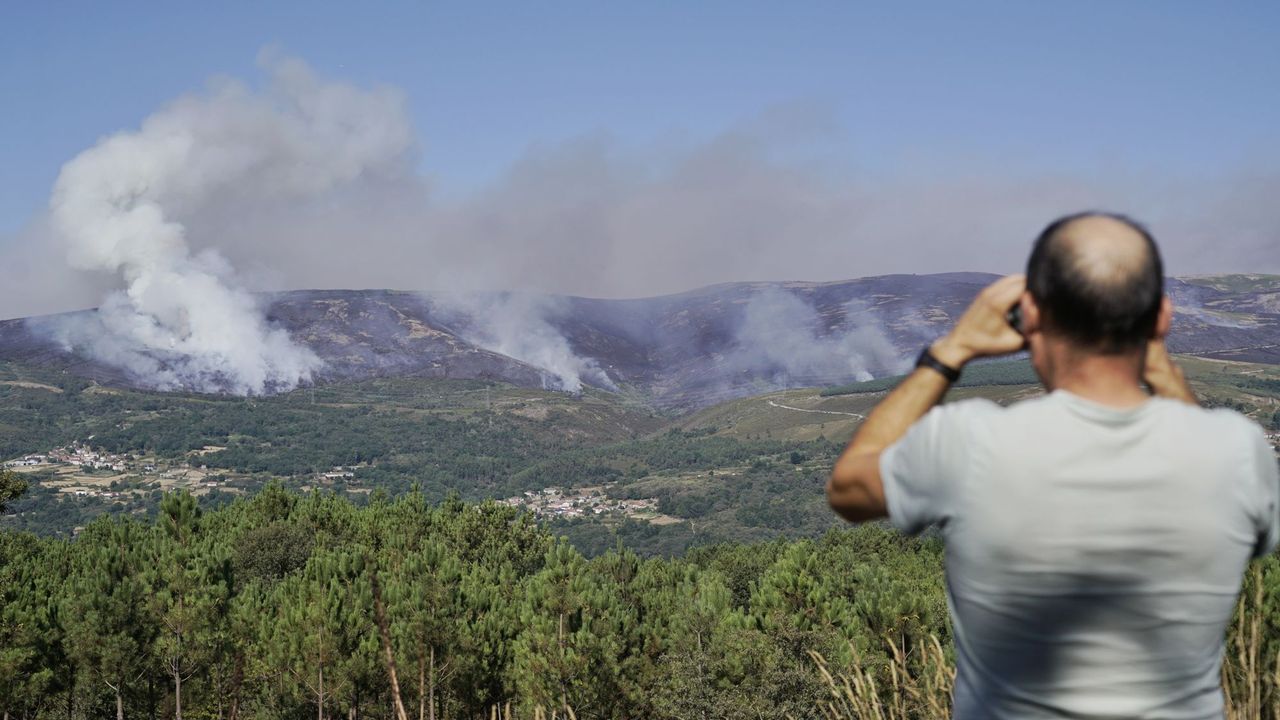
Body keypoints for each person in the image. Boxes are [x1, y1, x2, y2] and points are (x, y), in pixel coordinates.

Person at [827, 212, 1279, 719]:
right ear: (1162, 319)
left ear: (1032, 315)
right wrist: (1163, 369)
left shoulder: (968, 442)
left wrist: (951, 351)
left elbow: (848, 489)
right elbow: (1204, 457)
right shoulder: (1238, 451)